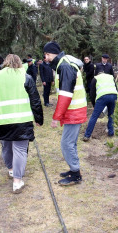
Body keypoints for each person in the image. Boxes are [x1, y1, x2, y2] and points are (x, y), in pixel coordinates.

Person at [0, 54, 43, 193]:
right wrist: (39, 119)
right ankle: (17, 181)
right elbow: (35, 100)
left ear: (5, 63)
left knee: (6, 147)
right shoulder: (25, 76)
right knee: (19, 150)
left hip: (3, 120)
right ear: (19, 63)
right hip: (22, 121)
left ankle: (11, 170)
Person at [43, 41, 87, 185]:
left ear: (51, 54)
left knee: (66, 143)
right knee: (70, 143)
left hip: (74, 111)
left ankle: (75, 174)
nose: (46, 58)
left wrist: (56, 117)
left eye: (46, 55)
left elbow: (66, 95)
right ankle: (74, 170)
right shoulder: (64, 63)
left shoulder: (65, 66)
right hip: (74, 111)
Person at [82, 68, 118, 141]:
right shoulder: (110, 77)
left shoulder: (95, 78)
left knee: (94, 116)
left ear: (97, 73)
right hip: (113, 95)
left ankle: (87, 135)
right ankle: (111, 132)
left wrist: (94, 104)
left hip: (102, 97)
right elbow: (116, 88)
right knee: (111, 114)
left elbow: (92, 93)